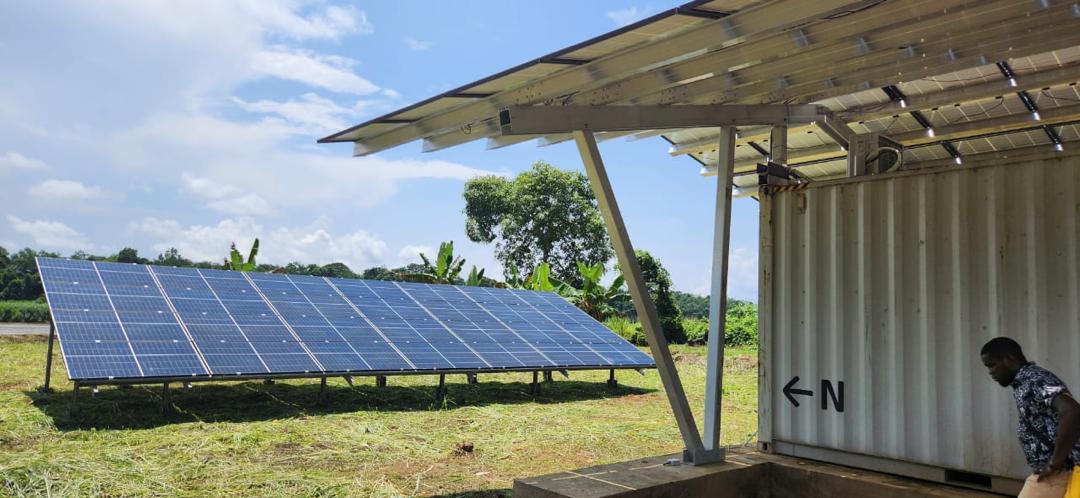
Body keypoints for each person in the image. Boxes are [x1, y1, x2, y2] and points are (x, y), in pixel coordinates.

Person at [981, 337, 1080, 497]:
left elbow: (1072, 412)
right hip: (1056, 470)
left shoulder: (1036, 379)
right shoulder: (1024, 382)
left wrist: (1054, 464)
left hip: (1058, 473)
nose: (990, 372)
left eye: (992, 365)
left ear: (1010, 359)